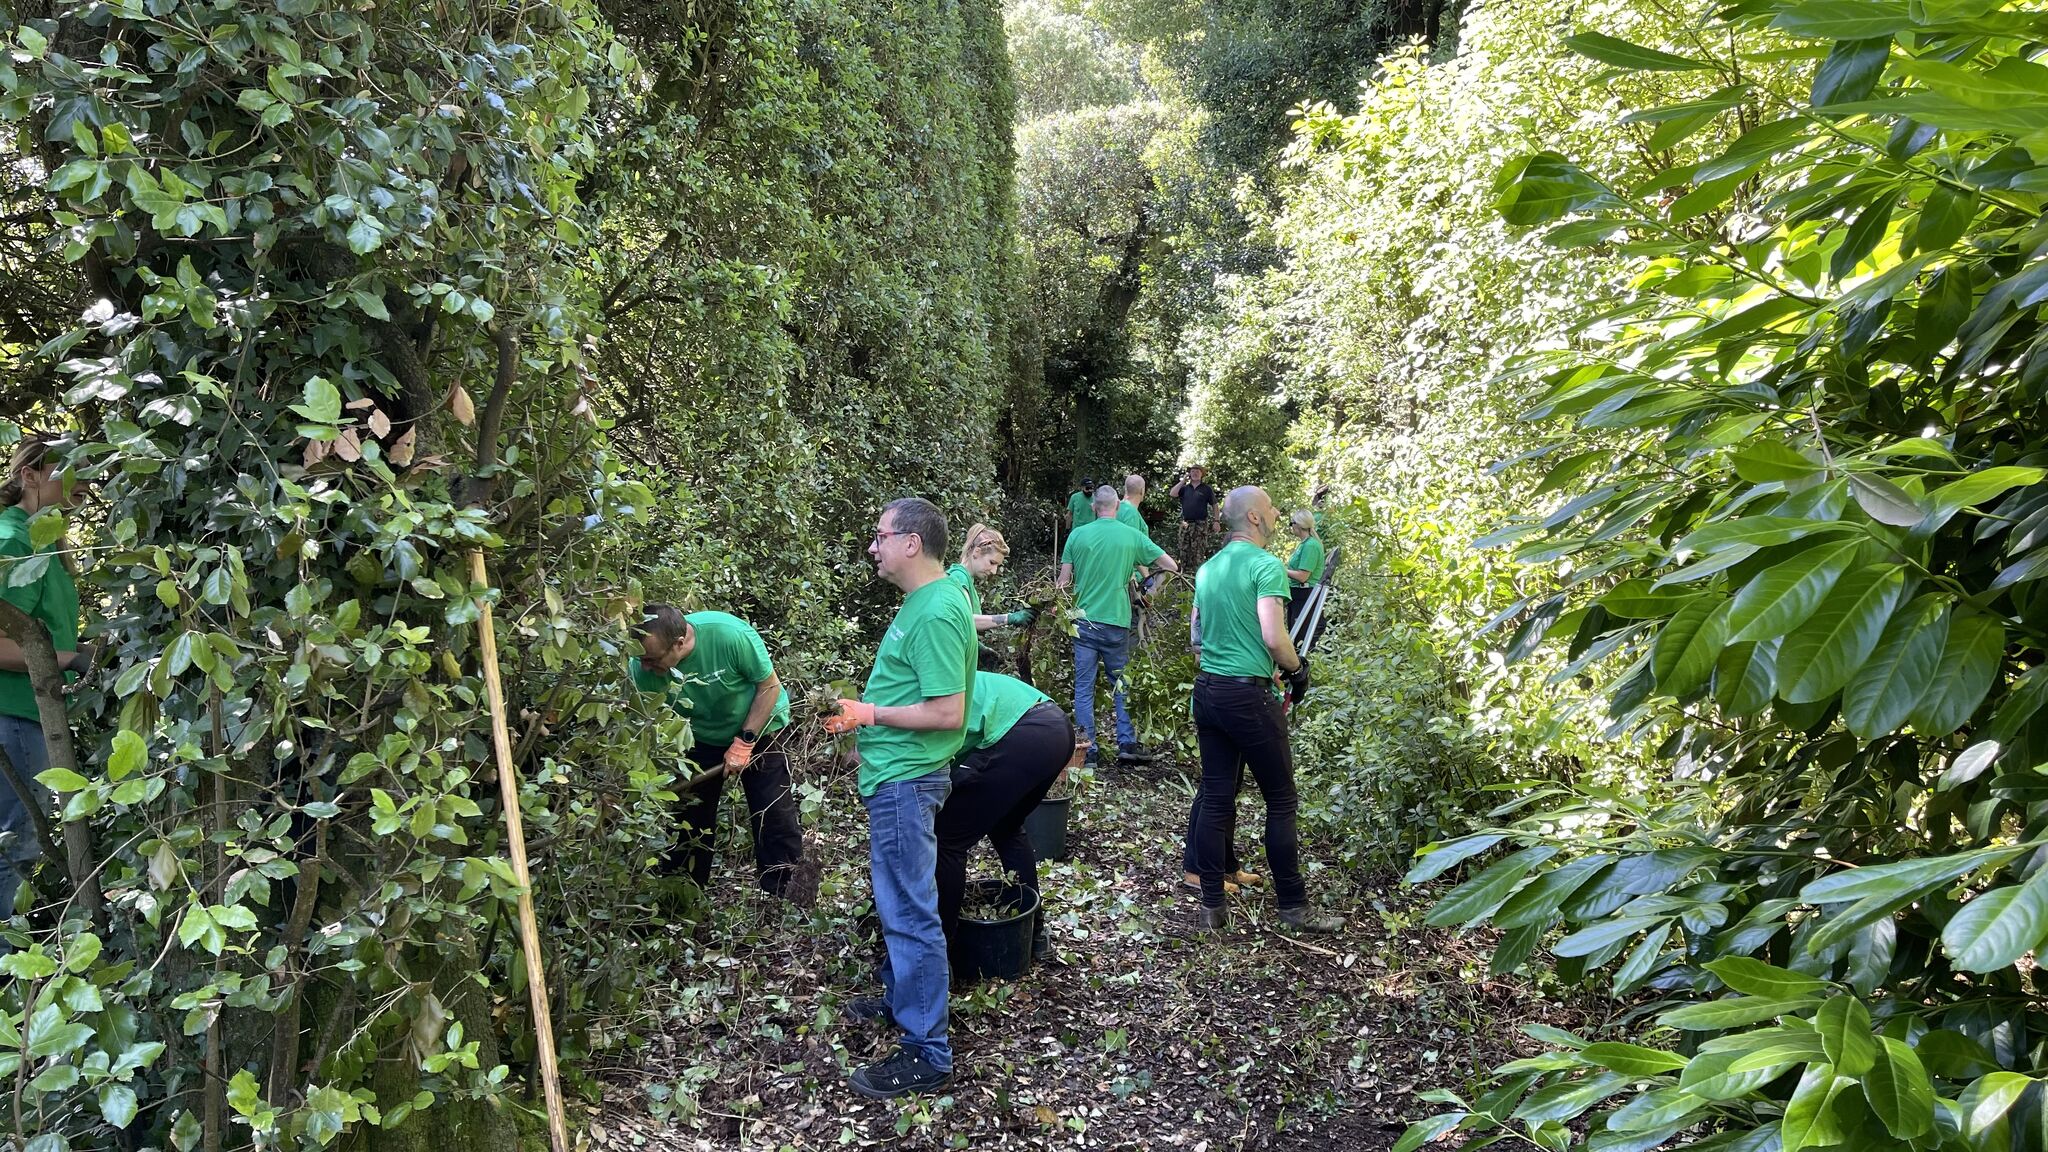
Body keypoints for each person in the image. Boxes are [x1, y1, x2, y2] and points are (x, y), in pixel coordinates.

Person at [824, 497, 977, 1099]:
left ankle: (926, 1051)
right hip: (897, 777)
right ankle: (901, 999)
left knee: (910, 911)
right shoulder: (925, 603)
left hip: (906, 784)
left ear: (912, 543)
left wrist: (868, 713)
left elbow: (947, 712)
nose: (873, 547)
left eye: (880, 535)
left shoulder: (937, 611)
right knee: (898, 904)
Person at [1184, 486, 1343, 934]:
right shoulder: (1266, 566)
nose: (1276, 514)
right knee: (1281, 798)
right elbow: (1276, 639)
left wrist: (1238, 660)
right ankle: (1294, 906)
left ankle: (1212, 907)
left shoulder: (1209, 568)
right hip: (1248, 698)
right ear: (1254, 518)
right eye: (1271, 508)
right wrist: (1296, 669)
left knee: (1216, 795)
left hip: (1209, 692)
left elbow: (1196, 641)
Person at [628, 604, 810, 902]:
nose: (646, 667)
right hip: (700, 738)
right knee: (690, 817)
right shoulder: (641, 668)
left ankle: (784, 894)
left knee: (772, 810)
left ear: (680, 643)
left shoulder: (729, 635)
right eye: (641, 659)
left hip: (759, 726)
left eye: (652, 659)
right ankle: (684, 897)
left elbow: (769, 686)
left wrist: (744, 742)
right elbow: (636, 721)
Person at [0, 434, 91, 917]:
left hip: (27, 716)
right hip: (9, 716)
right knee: (11, 852)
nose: (85, 479)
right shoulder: (13, 541)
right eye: (68, 467)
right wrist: (70, 660)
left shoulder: (44, 543)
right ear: (29, 476)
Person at [935, 671, 1071, 964]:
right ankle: (1035, 933)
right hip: (1056, 726)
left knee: (946, 839)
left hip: (1022, 732)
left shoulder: (925, 697)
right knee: (1006, 826)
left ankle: (939, 952)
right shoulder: (945, 674)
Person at [1056, 486, 1177, 766]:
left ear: (1093, 508)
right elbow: (1170, 566)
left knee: (1084, 688)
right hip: (1117, 623)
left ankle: (1089, 751)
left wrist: (1057, 608)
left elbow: (1062, 583)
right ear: (1118, 508)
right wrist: (1150, 593)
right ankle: (1126, 743)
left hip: (1082, 623)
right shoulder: (1131, 536)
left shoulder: (1077, 535)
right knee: (1121, 685)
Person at [947, 524, 1037, 634]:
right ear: (977, 552)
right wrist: (1009, 618)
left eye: (997, 566)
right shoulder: (958, 577)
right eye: (992, 562)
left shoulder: (967, 579)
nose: (994, 571)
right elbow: (966, 619)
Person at [1284, 510, 1327, 627]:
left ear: (1298, 524)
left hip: (1304, 595)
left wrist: (1280, 569)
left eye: (1291, 523)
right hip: (1297, 594)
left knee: (1299, 636)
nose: (1291, 526)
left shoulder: (1311, 546)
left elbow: (1303, 577)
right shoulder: (1304, 544)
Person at [1169, 465, 1219, 566]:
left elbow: (1215, 505)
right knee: (1184, 551)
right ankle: (1184, 576)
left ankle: (1197, 576)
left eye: (1198, 471)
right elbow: (1172, 493)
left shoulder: (1206, 489)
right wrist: (1183, 481)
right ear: (1189, 474)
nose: (1195, 473)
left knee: (1198, 552)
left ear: (1202, 474)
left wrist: (1216, 521)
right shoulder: (1185, 488)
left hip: (1200, 524)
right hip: (1186, 524)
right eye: (1193, 471)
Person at [1116, 474, 1152, 541]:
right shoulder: (1131, 513)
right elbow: (1130, 542)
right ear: (1142, 491)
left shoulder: (1114, 508)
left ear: (1125, 489)